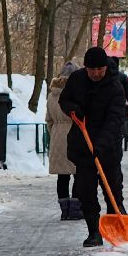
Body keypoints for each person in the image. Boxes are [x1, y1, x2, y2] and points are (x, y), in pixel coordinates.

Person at [59, 46, 128, 247]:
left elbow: (114, 121)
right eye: (92, 69)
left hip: (108, 147)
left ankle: (116, 225)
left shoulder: (115, 87)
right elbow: (64, 100)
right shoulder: (76, 80)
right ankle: (94, 232)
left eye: (100, 69)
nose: (96, 73)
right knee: (86, 191)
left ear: (106, 67)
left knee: (112, 188)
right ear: (85, 68)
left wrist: (100, 145)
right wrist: (73, 109)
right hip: (82, 145)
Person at [45, 62, 81, 220]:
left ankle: (65, 211)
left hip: (57, 138)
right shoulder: (77, 94)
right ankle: (75, 210)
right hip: (75, 136)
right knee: (79, 174)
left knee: (62, 176)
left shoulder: (52, 94)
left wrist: (55, 134)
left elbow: (49, 120)